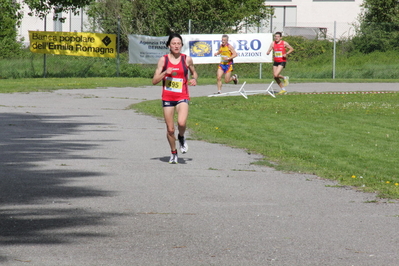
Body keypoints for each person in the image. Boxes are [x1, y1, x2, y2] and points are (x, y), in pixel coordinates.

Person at [152, 33, 198, 164]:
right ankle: (173, 152)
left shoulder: (186, 59)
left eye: (178, 43)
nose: (176, 46)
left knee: (182, 123)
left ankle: (182, 137)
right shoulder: (163, 60)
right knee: (170, 130)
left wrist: (194, 79)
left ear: (182, 45)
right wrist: (164, 73)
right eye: (173, 43)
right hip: (168, 97)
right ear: (168, 45)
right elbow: (154, 81)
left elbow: (194, 72)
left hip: (182, 96)